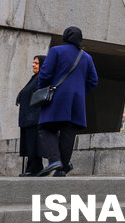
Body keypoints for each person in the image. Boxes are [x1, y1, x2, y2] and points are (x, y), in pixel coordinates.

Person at [36, 27, 98, 176]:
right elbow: (93, 80)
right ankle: (62, 169)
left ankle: (54, 160)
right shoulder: (87, 57)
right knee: (68, 133)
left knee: (45, 128)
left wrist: (42, 89)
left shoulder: (56, 51)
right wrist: (80, 93)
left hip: (57, 98)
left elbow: (45, 74)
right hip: (77, 103)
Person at [15, 54, 47, 176]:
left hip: (34, 116)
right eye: (33, 62)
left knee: (33, 143)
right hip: (28, 117)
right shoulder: (35, 78)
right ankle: (33, 167)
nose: (33, 65)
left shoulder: (42, 78)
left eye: (37, 63)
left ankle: (34, 168)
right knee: (29, 143)